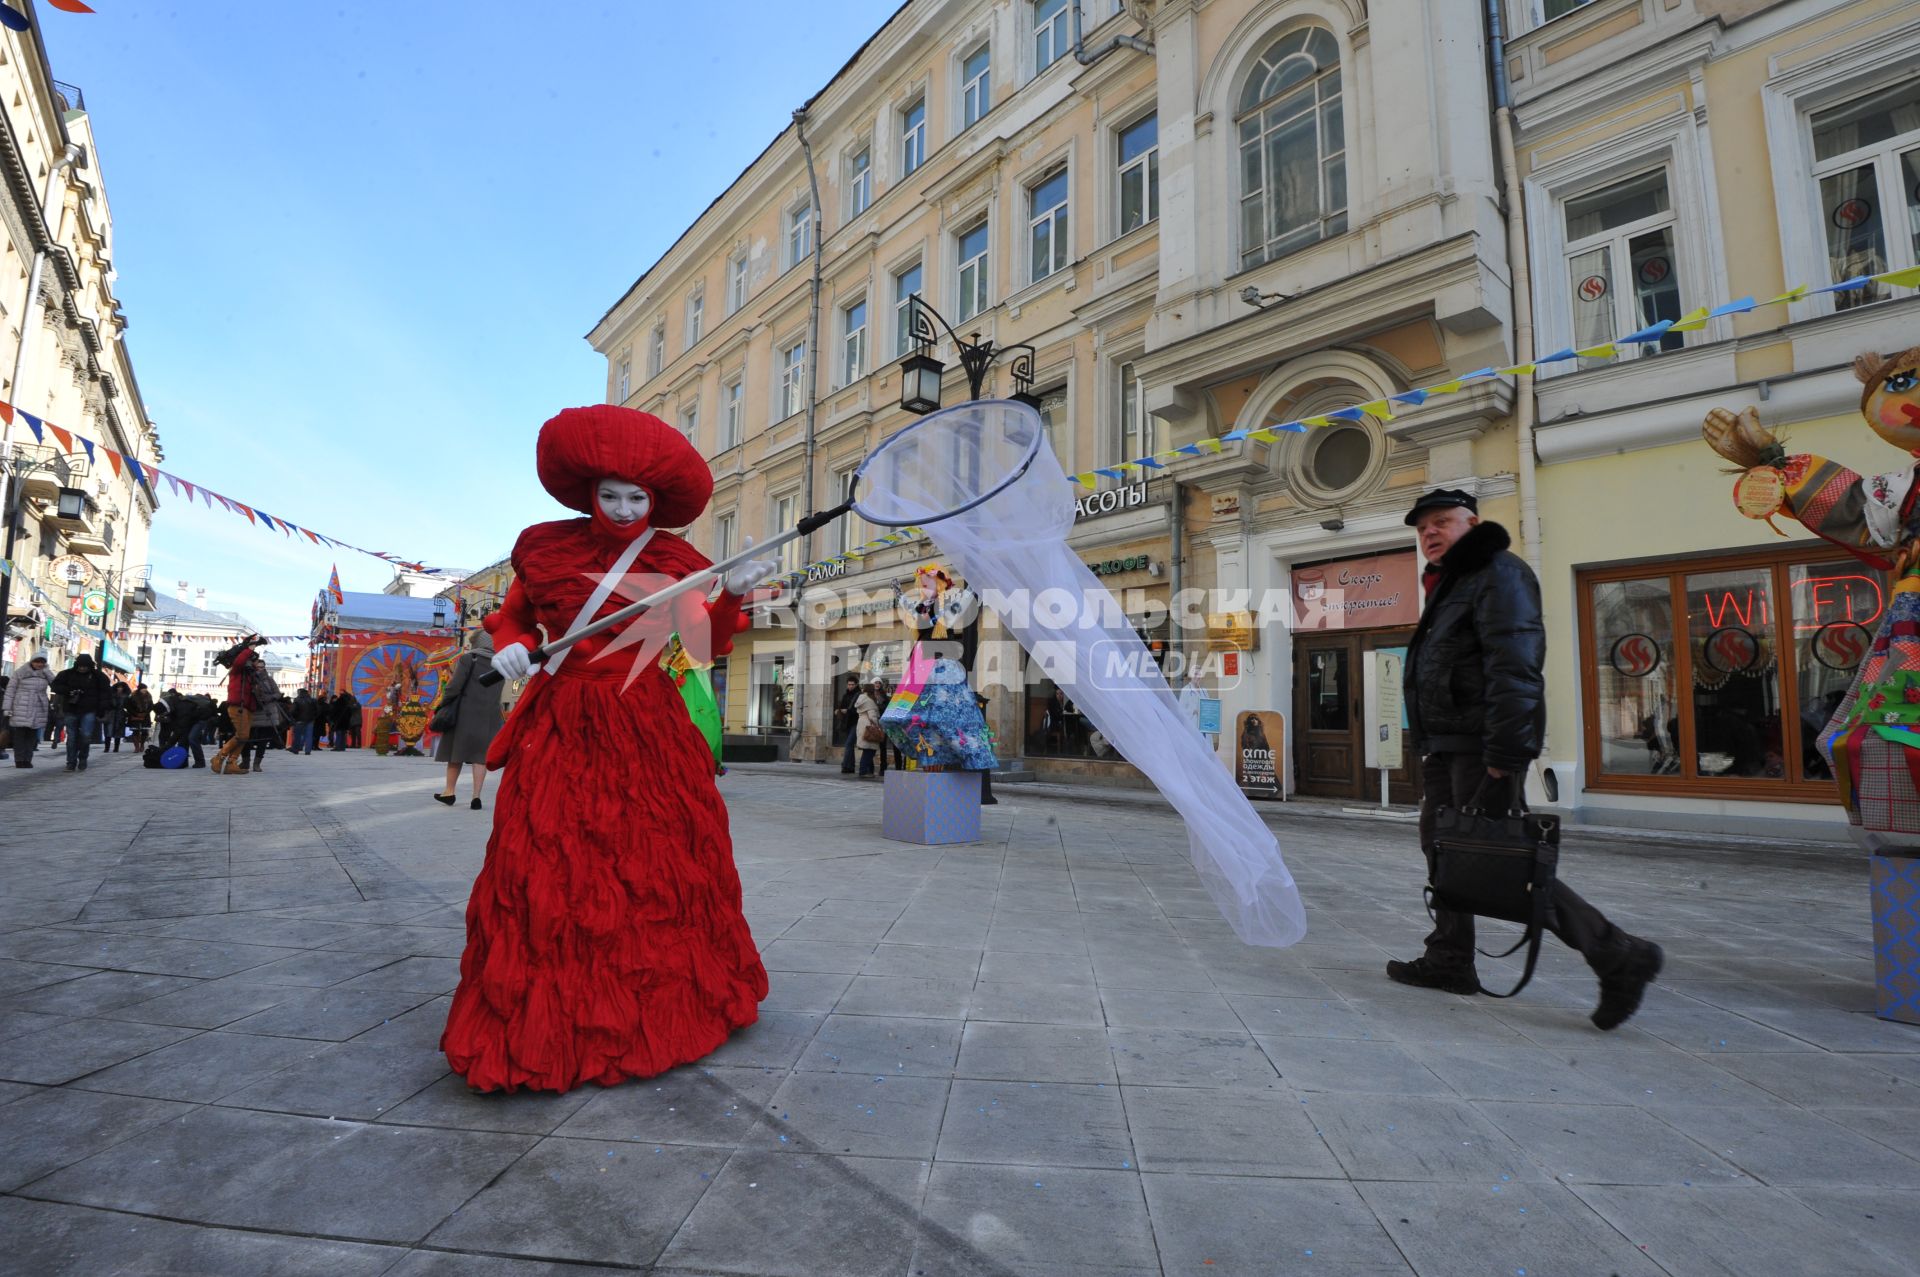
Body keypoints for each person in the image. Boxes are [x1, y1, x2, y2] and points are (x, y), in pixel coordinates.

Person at [440, 405, 776, 1093]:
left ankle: (656, 1004)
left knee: (654, 860)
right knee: (547, 857)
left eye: (637, 497)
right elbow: (516, 614)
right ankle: (544, 1016)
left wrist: (732, 596)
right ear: (589, 490)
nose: (623, 508)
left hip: (646, 723)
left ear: (656, 501)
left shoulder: (679, 563)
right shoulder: (543, 546)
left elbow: (703, 646)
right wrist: (510, 644)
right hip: (563, 722)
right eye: (612, 494)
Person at [1389, 488, 1661, 1030]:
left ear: (1473, 522)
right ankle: (1449, 958)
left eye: (1442, 522)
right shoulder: (1453, 583)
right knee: (1445, 852)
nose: (1431, 533)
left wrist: (1504, 755)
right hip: (1448, 746)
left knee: (1504, 863)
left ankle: (1618, 954)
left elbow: (1515, 666)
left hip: (1481, 748)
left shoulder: (1498, 572)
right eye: (1423, 528)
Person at [433, 631, 507, 810]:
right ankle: (476, 797)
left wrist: (442, 703)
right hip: (490, 716)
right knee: (480, 757)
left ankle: (449, 792)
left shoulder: (469, 659)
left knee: (455, 754)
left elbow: (454, 687)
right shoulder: (501, 663)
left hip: (465, 714)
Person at [49, 653, 113, 772]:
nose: (82, 668)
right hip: (71, 709)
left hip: (89, 710)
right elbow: (55, 686)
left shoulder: (98, 676)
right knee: (72, 737)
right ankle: (71, 762)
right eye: (80, 666)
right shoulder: (67, 674)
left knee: (86, 736)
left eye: (85, 666)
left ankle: (83, 758)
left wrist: (103, 708)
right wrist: (69, 691)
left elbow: (106, 693)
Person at [4, 653, 52, 767]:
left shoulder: (45, 673)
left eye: (42, 662)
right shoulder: (20, 672)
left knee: (32, 736)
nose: (39, 664)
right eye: (37, 661)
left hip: (38, 707)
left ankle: (27, 760)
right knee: (20, 735)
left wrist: (47, 671)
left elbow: (55, 683)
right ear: (31, 661)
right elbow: (10, 691)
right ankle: (19, 760)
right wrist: (7, 708)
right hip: (21, 706)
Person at [854, 679, 885, 778]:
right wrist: (877, 726)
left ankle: (866, 771)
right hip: (869, 725)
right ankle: (863, 771)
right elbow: (872, 716)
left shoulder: (861, 698)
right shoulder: (869, 701)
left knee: (867, 749)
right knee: (870, 750)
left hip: (861, 724)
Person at [835, 673, 861, 774]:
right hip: (846, 723)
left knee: (849, 744)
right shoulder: (845, 695)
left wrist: (848, 711)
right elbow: (841, 706)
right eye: (849, 684)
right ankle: (851, 767)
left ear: (856, 685)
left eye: (852, 684)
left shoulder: (858, 695)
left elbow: (858, 710)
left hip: (856, 722)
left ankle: (845, 766)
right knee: (850, 745)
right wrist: (838, 711)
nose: (850, 686)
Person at [290, 689, 319, 755]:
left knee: (298, 735)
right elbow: (317, 710)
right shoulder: (313, 700)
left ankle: (296, 749)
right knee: (309, 736)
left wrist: (295, 717)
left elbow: (292, 711)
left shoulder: (297, 700)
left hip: (299, 720)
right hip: (310, 720)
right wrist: (313, 717)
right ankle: (308, 750)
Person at [126, 683, 154, 752]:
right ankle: (136, 747)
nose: (144, 691)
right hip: (134, 716)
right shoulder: (133, 696)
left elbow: (151, 706)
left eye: (145, 689)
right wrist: (135, 713)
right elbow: (128, 706)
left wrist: (146, 713)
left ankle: (142, 744)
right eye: (143, 689)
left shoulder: (149, 696)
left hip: (145, 716)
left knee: (144, 732)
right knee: (135, 731)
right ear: (139, 689)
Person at [105, 681, 129, 752]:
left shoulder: (126, 696)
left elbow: (128, 706)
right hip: (110, 714)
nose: (119, 689)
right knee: (108, 731)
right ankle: (107, 748)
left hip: (120, 715)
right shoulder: (110, 695)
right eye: (118, 687)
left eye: (121, 687)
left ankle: (116, 748)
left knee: (118, 732)